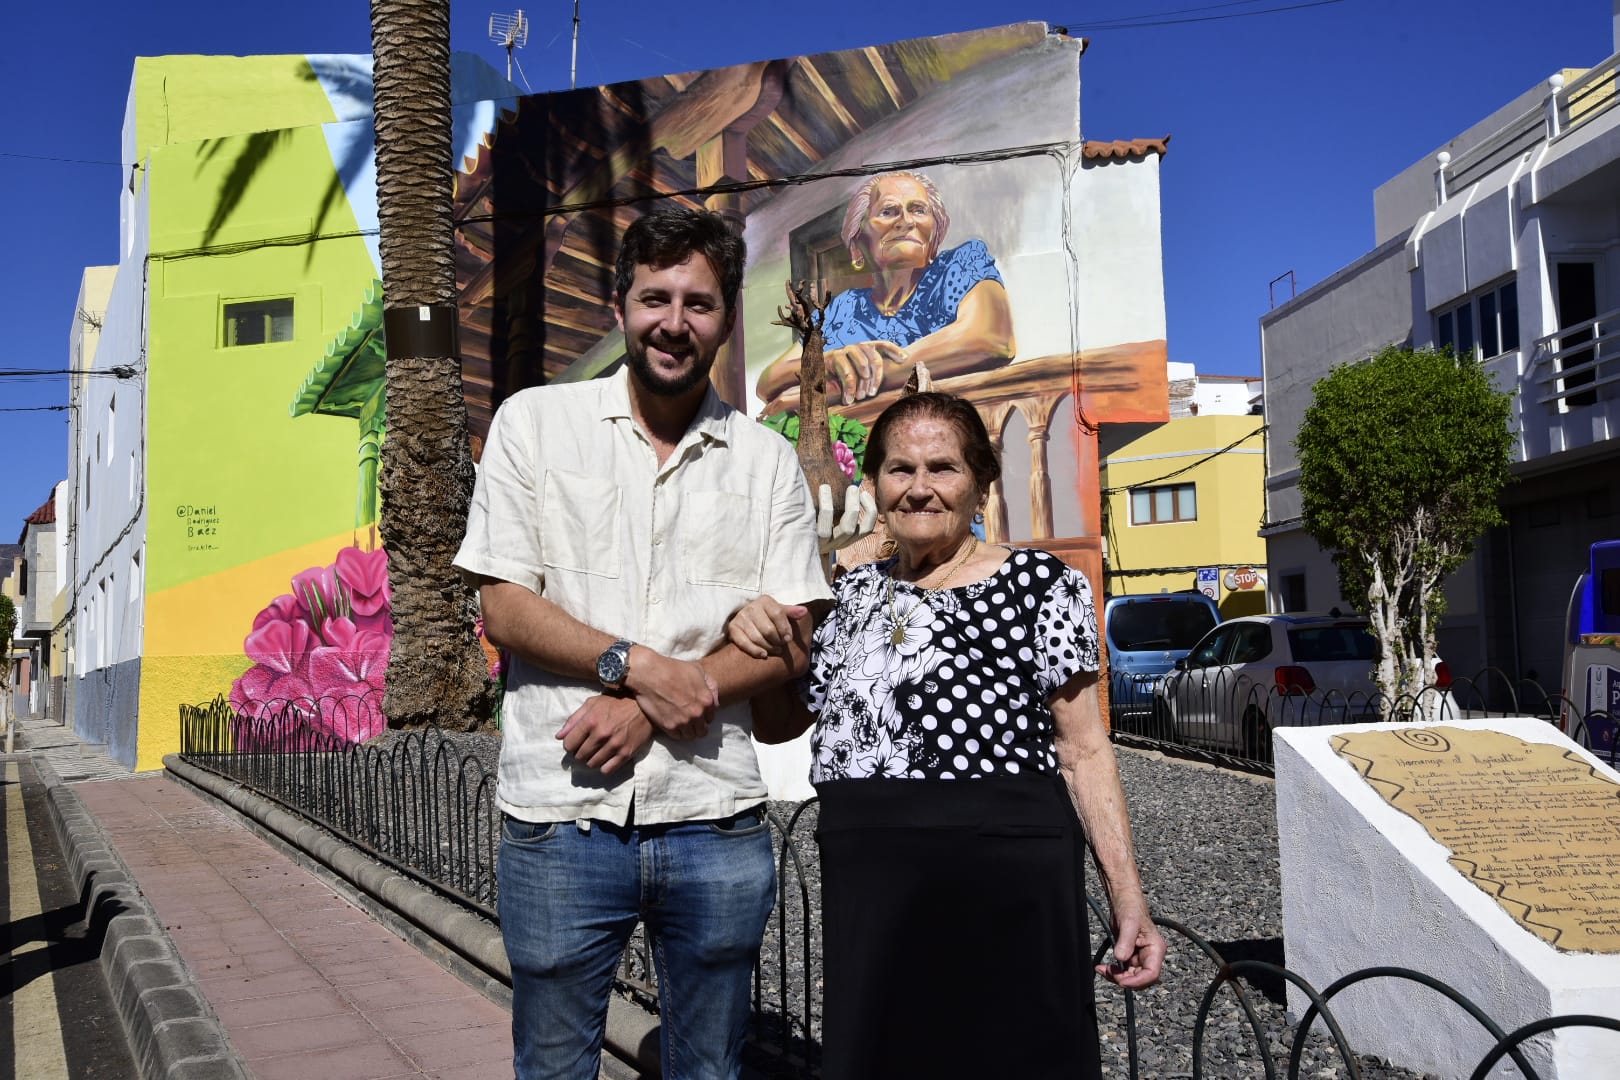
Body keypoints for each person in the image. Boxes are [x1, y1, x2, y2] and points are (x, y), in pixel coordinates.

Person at [453, 207, 874, 1080]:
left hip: (713, 817)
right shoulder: (535, 425)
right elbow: (504, 605)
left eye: (699, 303)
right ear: (620, 307)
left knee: (710, 1071)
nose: (674, 323)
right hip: (562, 813)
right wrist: (639, 668)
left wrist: (651, 711)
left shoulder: (765, 462)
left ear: (725, 320)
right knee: (555, 1066)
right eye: (655, 298)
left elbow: (788, 641)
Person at [727, 391, 1166, 1079]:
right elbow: (781, 723)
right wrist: (760, 637)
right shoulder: (843, 596)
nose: (920, 488)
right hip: (871, 884)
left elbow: (1082, 750)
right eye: (900, 469)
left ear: (980, 483)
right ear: (873, 486)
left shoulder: (1039, 585)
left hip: (1006, 875)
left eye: (943, 467)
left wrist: (1127, 895)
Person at [756, 171, 1016, 409]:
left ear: (934, 237)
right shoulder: (842, 310)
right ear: (857, 246)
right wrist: (826, 364)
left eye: (918, 209)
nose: (906, 221)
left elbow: (991, 339)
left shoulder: (960, 265)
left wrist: (856, 379)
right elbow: (768, 381)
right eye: (889, 211)